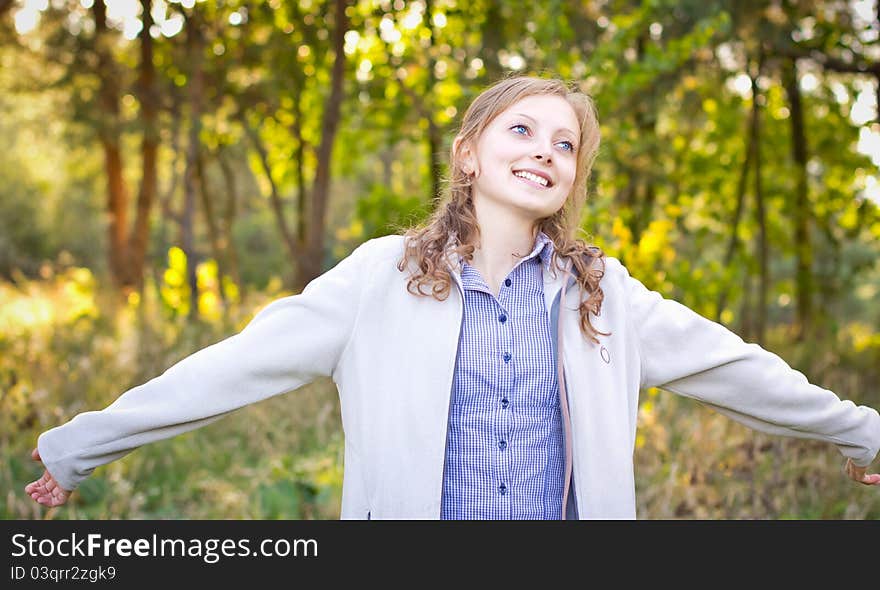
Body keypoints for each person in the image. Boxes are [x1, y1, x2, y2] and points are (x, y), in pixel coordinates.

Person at [26, 75, 880, 519]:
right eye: (522, 129)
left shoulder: (605, 296)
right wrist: (81, 446)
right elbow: (231, 368)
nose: (546, 151)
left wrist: (860, 430)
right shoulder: (377, 281)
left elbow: (741, 370)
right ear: (469, 154)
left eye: (566, 144)